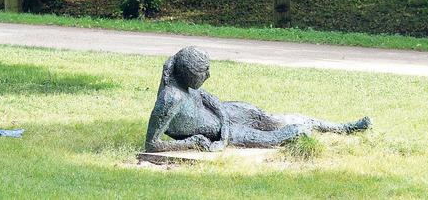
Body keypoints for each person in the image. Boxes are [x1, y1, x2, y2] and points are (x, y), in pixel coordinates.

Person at [144, 47, 370, 152]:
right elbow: (151, 144)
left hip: (226, 115)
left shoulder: (184, 83)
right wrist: (191, 143)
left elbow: (207, 97)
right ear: (190, 74)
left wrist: (223, 118)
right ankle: (307, 134)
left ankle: (340, 127)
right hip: (225, 133)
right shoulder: (170, 99)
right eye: (204, 72)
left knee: (271, 118)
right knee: (279, 135)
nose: (208, 75)